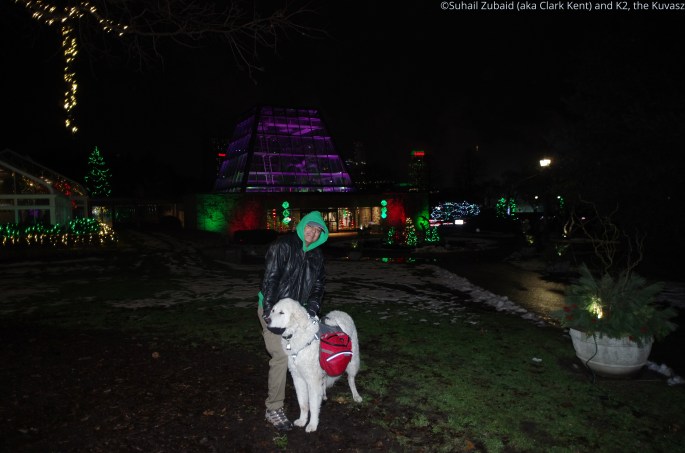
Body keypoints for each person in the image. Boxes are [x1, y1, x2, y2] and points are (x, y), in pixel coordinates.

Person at [257, 210, 329, 431]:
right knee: (281, 355)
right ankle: (274, 408)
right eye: (310, 227)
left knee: (308, 351)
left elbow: (318, 286)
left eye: (318, 230)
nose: (313, 233)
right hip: (275, 310)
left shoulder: (317, 256)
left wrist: (313, 308)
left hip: (298, 314)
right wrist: (269, 311)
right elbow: (270, 280)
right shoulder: (283, 246)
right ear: (302, 224)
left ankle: (316, 387)